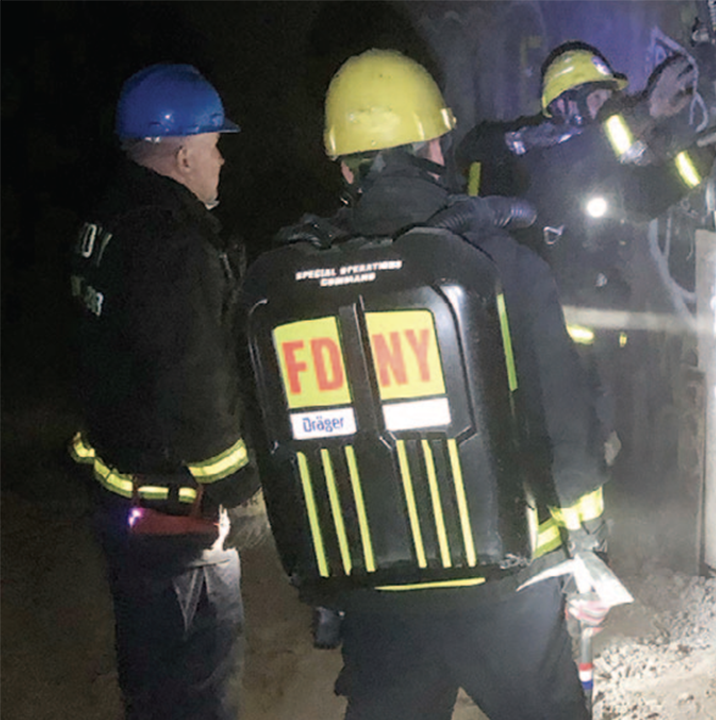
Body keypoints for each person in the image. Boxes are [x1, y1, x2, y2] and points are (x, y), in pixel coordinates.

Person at [243, 49, 607, 719]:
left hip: (377, 596)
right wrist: (587, 534)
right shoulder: (503, 262)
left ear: (346, 167)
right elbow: (565, 421)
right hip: (507, 584)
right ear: (436, 145)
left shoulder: (298, 281)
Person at [67, 63, 268, 720]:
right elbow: (194, 389)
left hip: (122, 506)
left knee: (152, 686)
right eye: (215, 145)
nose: (221, 159)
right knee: (198, 689)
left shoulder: (107, 221)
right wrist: (243, 489)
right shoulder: (171, 244)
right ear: (183, 153)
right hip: (177, 527)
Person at [456, 41, 710, 459]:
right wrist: (647, 110)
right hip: (544, 345)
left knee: (595, 445)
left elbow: (641, 200)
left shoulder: (593, 164)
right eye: (597, 98)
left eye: (613, 98)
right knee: (563, 450)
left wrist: (703, 160)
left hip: (592, 344)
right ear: (564, 107)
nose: (609, 108)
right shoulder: (540, 159)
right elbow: (573, 165)